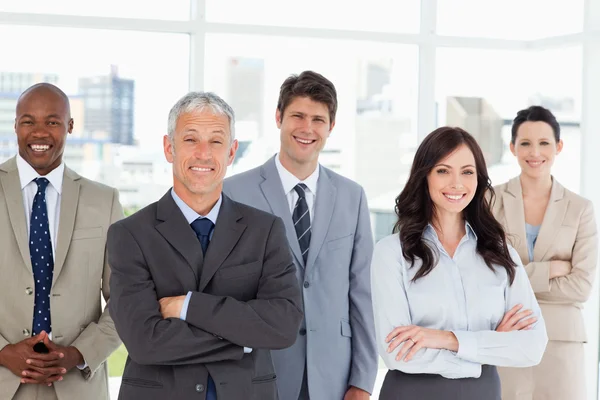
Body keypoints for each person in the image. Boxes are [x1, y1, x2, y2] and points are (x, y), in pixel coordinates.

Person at [107, 91, 303, 400]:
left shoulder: (265, 230)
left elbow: (283, 325)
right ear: (169, 147)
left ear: (231, 152)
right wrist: (245, 338)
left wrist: (187, 307)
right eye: (190, 140)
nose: (203, 153)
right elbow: (145, 341)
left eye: (216, 141)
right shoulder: (130, 235)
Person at [224, 70, 377, 400]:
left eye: (319, 119)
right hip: (257, 371)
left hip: (333, 375)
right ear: (279, 117)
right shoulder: (234, 193)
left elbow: (362, 293)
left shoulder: (353, 196)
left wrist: (363, 380)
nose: (308, 128)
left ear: (331, 127)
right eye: (298, 116)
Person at [371, 126, 548, 400]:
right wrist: (488, 346)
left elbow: (532, 347)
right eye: (443, 171)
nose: (456, 183)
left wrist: (445, 339)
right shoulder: (391, 253)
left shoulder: (501, 254)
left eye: (467, 172)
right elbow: (397, 354)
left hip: (483, 393)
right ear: (425, 176)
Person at [0, 83, 123, 400]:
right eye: (28, 121)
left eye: (52, 122)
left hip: (78, 386)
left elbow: (126, 298)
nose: (39, 133)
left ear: (70, 126)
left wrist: (79, 353)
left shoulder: (104, 201)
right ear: (15, 125)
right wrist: (2, 352)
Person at [492, 106, 598, 400]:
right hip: (507, 335)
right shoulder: (491, 200)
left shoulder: (580, 209)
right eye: (525, 143)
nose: (534, 152)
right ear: (512, 147)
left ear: (558, 147)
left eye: (544, 143)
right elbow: (488, 278)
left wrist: (520, 279)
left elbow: (581, 286)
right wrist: (550, 270)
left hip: (561, 343)